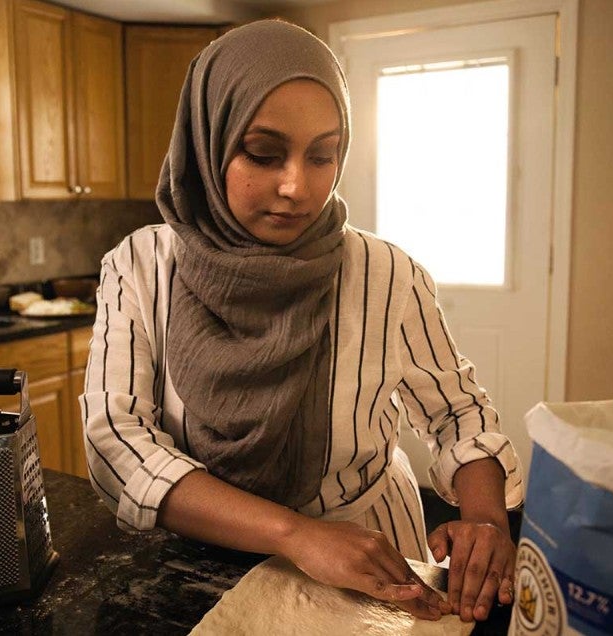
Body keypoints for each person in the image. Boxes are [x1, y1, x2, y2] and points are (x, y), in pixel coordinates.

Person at [81, 19, 524, 623]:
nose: (297, 186)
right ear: (208, 142)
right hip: (200, 558)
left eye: (323, 155)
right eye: (263, 153)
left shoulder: (386, 275)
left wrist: (484, 518)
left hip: (372, 559)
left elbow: (458, 413)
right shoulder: (139, 267)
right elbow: (118, 441)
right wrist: (294, 534)